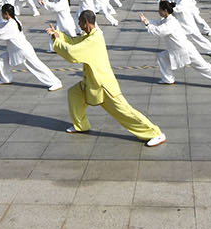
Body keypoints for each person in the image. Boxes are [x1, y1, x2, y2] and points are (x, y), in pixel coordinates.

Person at [49, 10, 165, 147]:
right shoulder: (90, 35)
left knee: (124, 111)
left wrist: (57, 41)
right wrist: (59, 35)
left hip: (103, 85)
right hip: (91, 82)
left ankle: (155, 133)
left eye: (80, 22)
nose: (78, 24)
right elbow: (74, 41)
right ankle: (81, 125)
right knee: (74, 94)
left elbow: (72, 53)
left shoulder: (94, 39)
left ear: (86, 22)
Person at [139, 0, 211, 90]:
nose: (158, 11)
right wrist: (147, 21)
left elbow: (158, 31)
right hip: (176, 50)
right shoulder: (167, 19)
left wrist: (147, 25)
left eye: (160, 10)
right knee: (162, 56)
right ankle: (168, 79)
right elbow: (158, 23)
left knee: (204, 67)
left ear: (165, 11)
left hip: (186, 50)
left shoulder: (171, 23)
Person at [0, 3, 63, 89]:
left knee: (37, 67)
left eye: (2, 13)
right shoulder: (13, 21)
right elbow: (0, 24)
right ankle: (5, 79)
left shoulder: (11, 24)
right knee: (3, 58)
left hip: (23, 51)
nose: (1, 14)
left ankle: (55, 82)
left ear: (6, 13)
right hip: (17, 50)